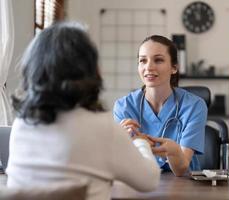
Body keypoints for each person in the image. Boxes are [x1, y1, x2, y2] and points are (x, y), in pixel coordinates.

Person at [6, 21, 160, 200]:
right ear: (89, 70)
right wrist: (141, 143)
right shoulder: (102, 128)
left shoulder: (22, 125)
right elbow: (149, 181)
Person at [113, 35, 207, 176]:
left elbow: (181, 169)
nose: (149, 67)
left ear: (174, 68)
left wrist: (173, 152)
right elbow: (122, 164)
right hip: (140, 181)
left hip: (183, 185)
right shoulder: (124, 107)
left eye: (158, 60)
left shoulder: (194, 106)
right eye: (143, 61)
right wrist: (120, 143)